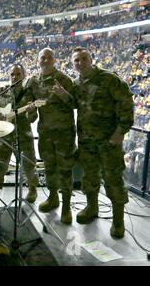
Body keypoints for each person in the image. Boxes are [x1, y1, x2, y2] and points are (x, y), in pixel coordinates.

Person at [71, 47, 134, 238]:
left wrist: (120, 131)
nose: (80, 63)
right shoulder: (77, 83)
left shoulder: (109, 79)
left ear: (91, 59)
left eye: (83, 59)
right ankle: (92, 208)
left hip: (109, 142)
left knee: (113, 179)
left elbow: (126, 103)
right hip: (86, 142)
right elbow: (73, 104)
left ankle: (118, 221)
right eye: (76, 61)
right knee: (89, 177)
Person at [23, 48, 76, 224]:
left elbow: (76, 105)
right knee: (49, 167)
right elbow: (32, 114)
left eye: (49, 58)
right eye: (42, 58)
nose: (45, 61)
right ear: (38, 60)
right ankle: (53, 198)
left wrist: (63, 94)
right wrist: (30, 111)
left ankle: (67, 207)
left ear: (54, 60)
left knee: (65, 169)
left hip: (64, 134)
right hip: (45, 133)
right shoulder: (33, 81)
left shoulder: (64, 79)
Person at [0, 64, 39, 203]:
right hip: (4, 137)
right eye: (12, 74)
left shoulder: (29, 93)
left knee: (29, 166)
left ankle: (32, 189)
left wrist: (31, 111)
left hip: (23, 136)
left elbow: (32, 119)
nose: (15, 77)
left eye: (18, 74)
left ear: (24, 75)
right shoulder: (3, 92)